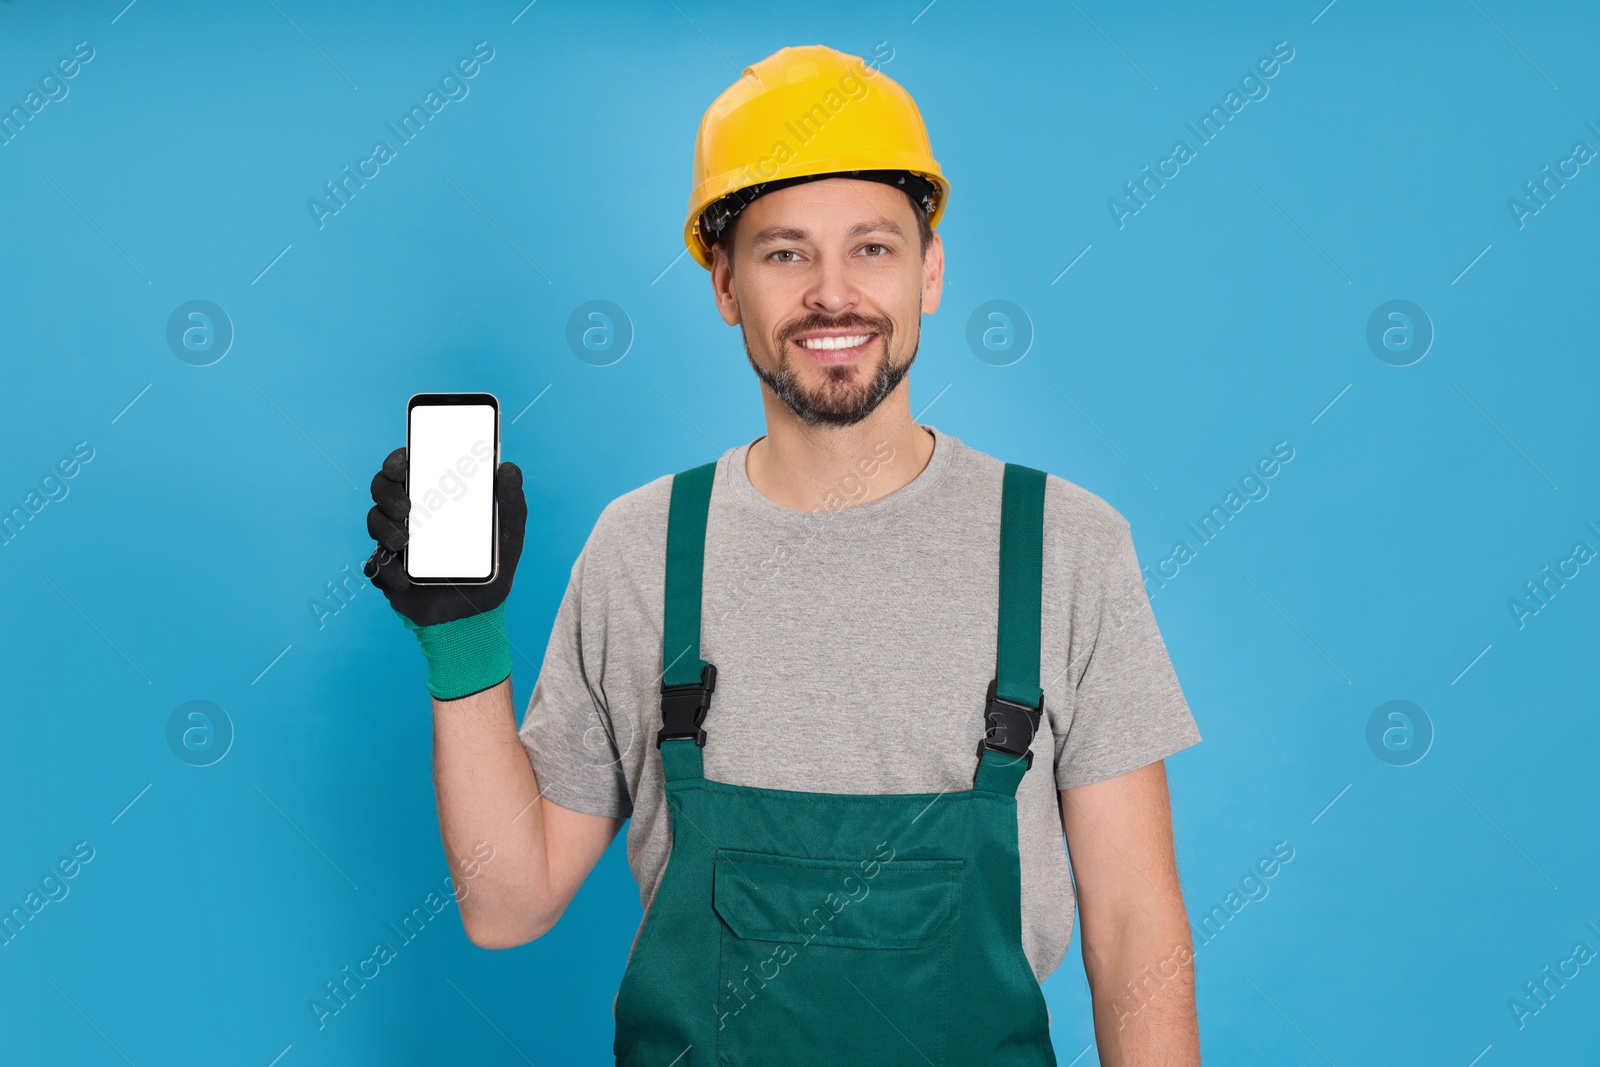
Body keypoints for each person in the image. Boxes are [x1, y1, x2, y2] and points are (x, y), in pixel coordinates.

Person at [364, 43, 1202, 1066]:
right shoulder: (641, 548)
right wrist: (461, 640)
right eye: (784, 251)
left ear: (931, 269)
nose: (832, 294)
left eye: (873, 248)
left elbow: (1132, 929)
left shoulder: (1064, 545)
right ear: (724, 283)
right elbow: (508, 900)